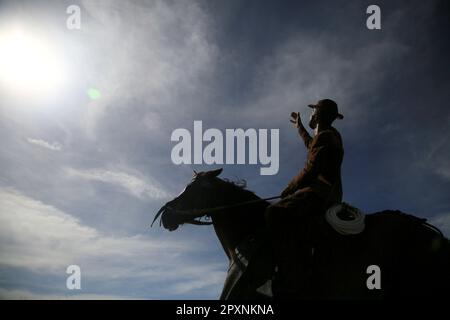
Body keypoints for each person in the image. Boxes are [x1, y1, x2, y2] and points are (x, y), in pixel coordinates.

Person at [265, 98, 344, 298]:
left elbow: (310, 170)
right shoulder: (331, 135)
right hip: (332, 194)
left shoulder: (325, 137)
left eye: (312, 112)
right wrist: (299, 126)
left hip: (319, 194)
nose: (310, 114)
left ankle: (289, 277)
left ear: (317, 114)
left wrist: (288, 189)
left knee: (274, 212)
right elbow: (311, 145)